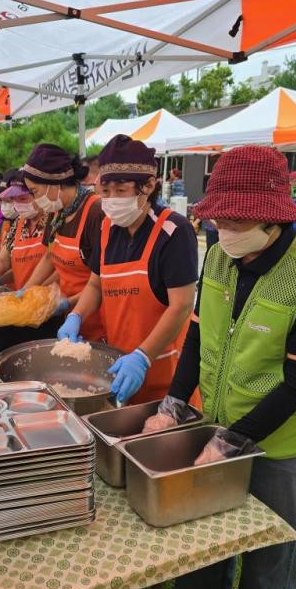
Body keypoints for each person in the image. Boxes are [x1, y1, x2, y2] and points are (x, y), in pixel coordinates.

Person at [142, 145, 296, 589]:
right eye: (220, 221)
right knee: (201, 552)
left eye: (237, 223)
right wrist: (174, 402)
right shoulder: (219, 254)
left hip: (283, 448)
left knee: (269, 569)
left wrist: (235, 439)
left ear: (273, 219)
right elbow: (198, 334)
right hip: (219, 424)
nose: (225, 231)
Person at [59, 135, 198, 405]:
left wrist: (143, 357)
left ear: (147, 186)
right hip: (118, 363)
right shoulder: (107, 228)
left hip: (163, 371)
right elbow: (96, 285)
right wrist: (76, 315)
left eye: (120, 191)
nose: (110, 200)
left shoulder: (174, 231)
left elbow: (181, 305)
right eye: (105, 191)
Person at [19, 144, 106, 340]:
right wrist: (27, 289)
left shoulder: (95, 212)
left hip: (96, 316)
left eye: (35, 191)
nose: (34, 199)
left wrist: (68, 304)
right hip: (70, 319)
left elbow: (101, 282)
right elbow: (49, 257)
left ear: (54, 182)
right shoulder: (56, 213)